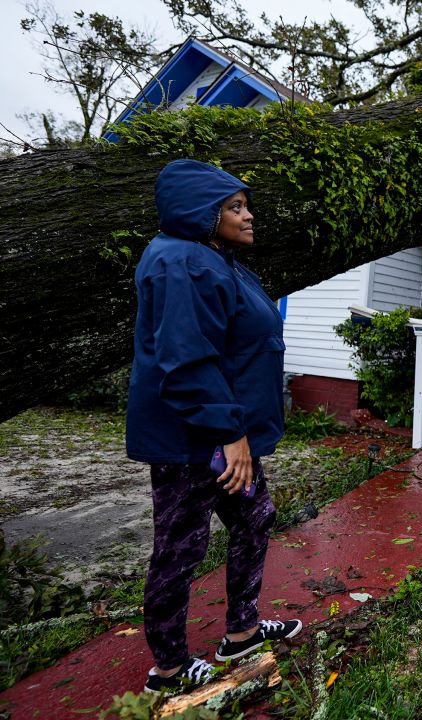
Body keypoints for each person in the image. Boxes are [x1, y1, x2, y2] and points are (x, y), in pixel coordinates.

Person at [127, 159, 301, 694]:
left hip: (222, 430)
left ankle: (242, 633)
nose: (249, 216)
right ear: (202, 213)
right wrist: (232, 434)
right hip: (195, 438)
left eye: (245, 204)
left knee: (255, 516)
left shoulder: (209, 257)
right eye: (235, 207)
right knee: (182, 546)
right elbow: (187, 361)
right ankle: (170, 670)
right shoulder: (182, 263)